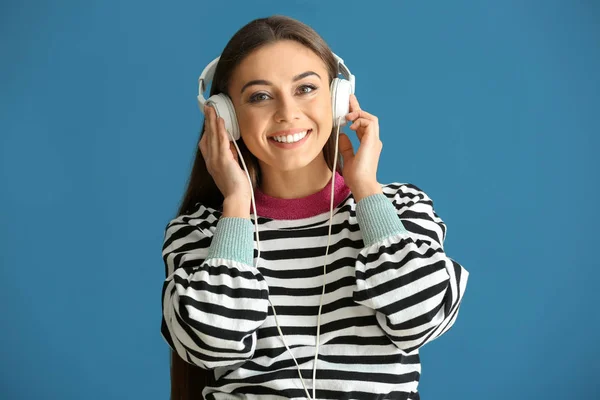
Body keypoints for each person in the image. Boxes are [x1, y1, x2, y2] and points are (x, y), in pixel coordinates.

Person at [160, 15, 469, 400]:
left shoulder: (401, 208)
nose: (287, 113)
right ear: (225, 116)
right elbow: (210, 342)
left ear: (338, 99)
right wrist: (236, 204)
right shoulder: (205, 231)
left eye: (305, 88)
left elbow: (420, 318)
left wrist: (367, 191)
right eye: (260, 96)